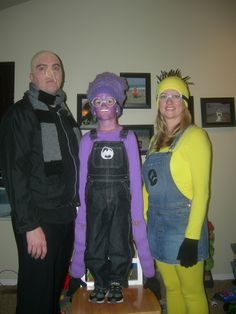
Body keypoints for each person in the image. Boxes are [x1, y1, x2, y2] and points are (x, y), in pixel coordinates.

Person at [0, 50, 81, 314]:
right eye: (43, 68)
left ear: (62, 75)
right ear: (31, 76)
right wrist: (29, 225)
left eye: (56, 68)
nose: (50, 73)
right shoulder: (20, 114)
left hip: (64, 218)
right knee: (35, 294)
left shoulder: (63, 114)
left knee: (52, 289)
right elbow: (15, 173)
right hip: (38, 220)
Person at [69, 72, 159, 304]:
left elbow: (136, 179)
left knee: (120, 240)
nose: (104, 105)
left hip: (122, 202)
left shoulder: (128, 137)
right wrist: (82, 210)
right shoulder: (87, 140)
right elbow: (82, 180)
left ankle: (118, 281)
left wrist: (136, 212)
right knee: (95, 241)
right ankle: (99, 281)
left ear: (118, 105)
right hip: (94, 202)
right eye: (98, 102)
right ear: (93, 108)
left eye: (109, 100)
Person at [142, 69, 212, 314]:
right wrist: (143, 222)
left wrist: (192, 238)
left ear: (185, 103)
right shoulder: (154, 141)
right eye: (163, 96)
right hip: (156, 227)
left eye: (175, 96)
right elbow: (147, 188)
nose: (169, 101)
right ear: (158, 103)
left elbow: (202, 193)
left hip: (184, 229)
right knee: (170, 288)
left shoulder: (196, 137)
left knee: (192, 292)